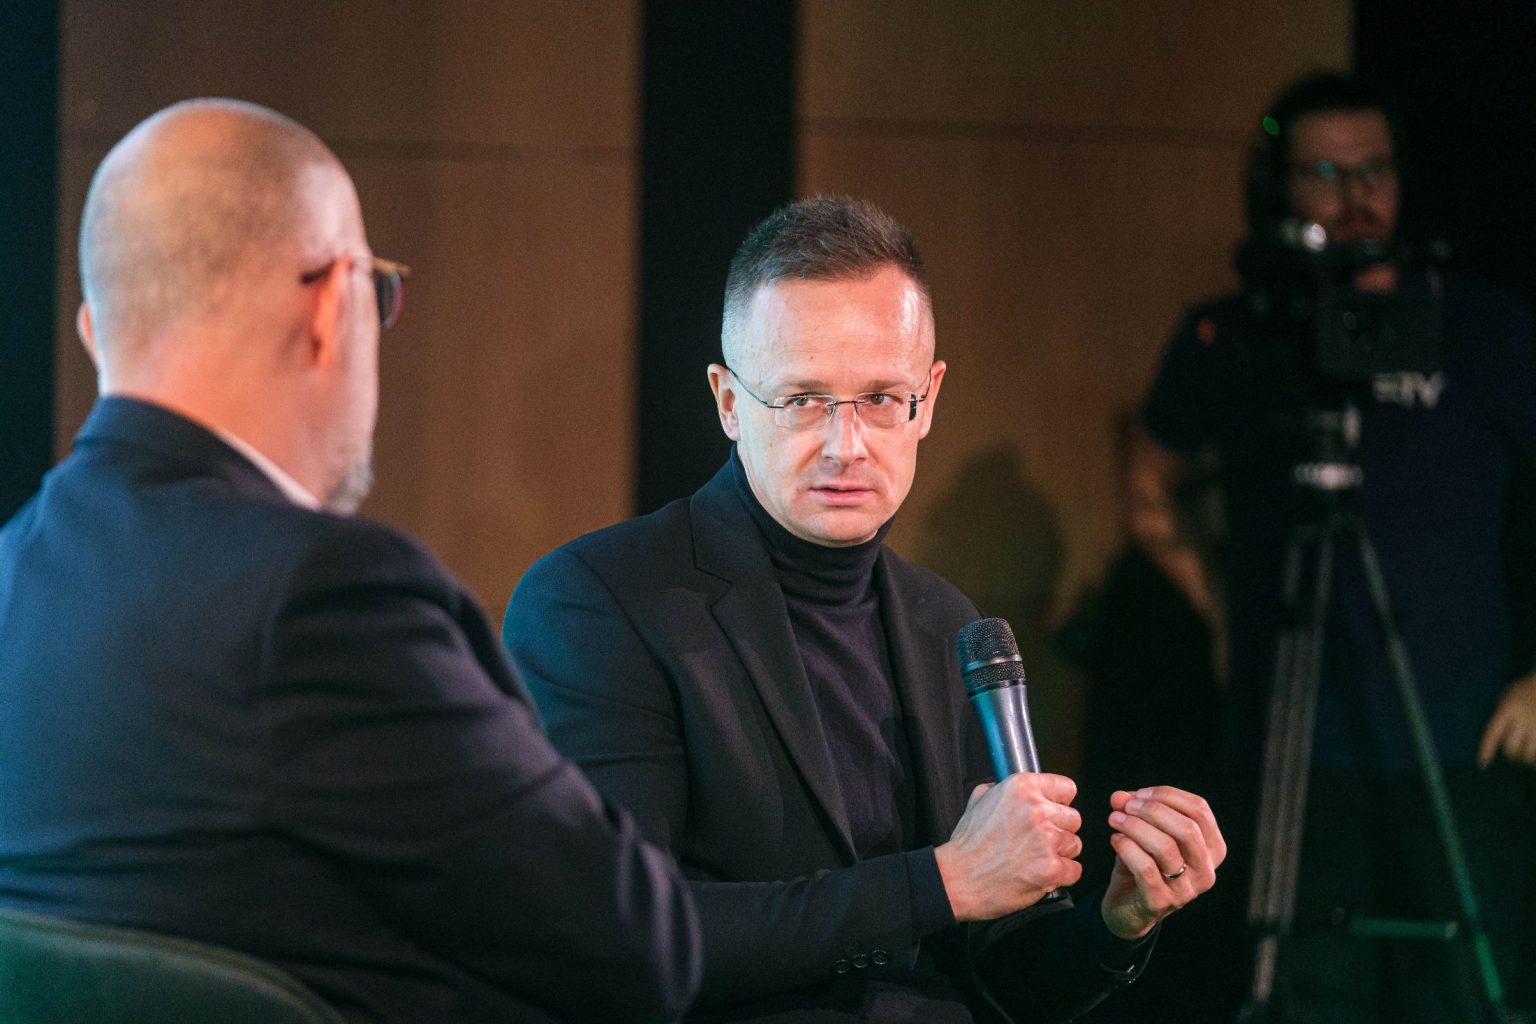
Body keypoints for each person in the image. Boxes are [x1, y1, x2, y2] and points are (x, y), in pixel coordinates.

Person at [0, 99, 700, 1024]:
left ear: (96, 333)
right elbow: (641, 953)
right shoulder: (322, 599)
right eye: (379, 291)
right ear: (334, 302)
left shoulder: (13, 571)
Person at [503, 196, 1226, 1023]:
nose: (846, 445)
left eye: (881, 397)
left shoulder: (947, 624)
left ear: (929, 399)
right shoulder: (599, 601)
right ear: (729, 402)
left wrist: (1117, 923)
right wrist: (937, 883)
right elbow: (621, 936)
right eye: (803, 399)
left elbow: (1001, 970)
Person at [1132, 72, 1536, 1021]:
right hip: (1291, 755)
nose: (1358, 199)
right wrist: (1220, 610)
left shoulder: (1482, 329)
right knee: (1306, 1000)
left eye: (1376, 171)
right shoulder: (1238, 336)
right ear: (1276, 191)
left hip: (1462, 747)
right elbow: (1149, 483)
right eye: (1325, 174)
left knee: (1466, 1001)